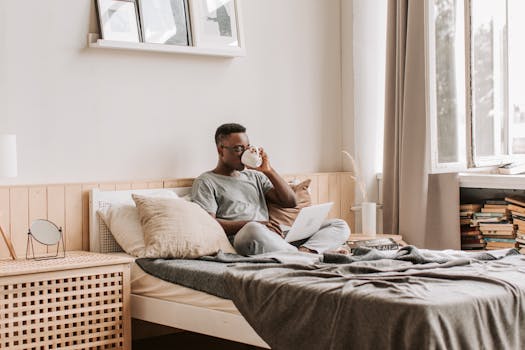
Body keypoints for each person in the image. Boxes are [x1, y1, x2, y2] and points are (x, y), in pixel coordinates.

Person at [191, 123, 350, 255]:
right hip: (248, 238)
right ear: (220, 150)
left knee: (339, 225)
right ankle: (311, 256)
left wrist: (268, 170)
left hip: (277, 237)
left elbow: (290, 201)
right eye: (238, 149)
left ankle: (305, 253)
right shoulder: (207, 181)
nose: (244, 154)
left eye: (247, 148)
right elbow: (209, 224)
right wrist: (256, 223)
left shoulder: (255, 177)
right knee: (253, 229)